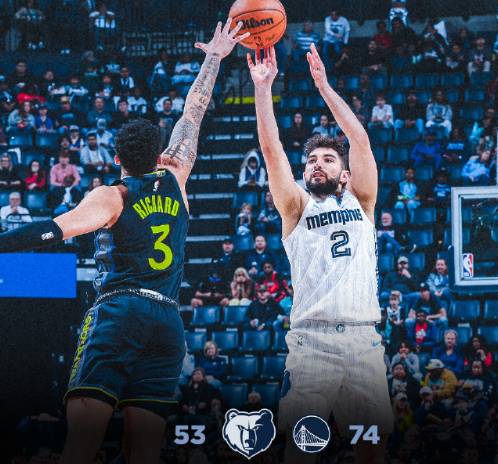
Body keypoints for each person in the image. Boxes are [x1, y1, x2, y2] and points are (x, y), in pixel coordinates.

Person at [0, 19, 247, 463]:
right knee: (144, 452)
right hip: (168, 321)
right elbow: (193, 111)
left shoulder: (113, 196)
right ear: (160, 156)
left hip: (120, 311)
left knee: (82, 441)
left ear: (117, 159)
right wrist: (215, 56)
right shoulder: (176, 176)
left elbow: (50, 231)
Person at [248, 43, 392, 464]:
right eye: (311, 159)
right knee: (301, 451)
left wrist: (324, 86)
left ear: (344, 174)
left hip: (364, 341)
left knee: (371, 452)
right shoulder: (295, 207)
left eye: (328, 160)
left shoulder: (362, 200)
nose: (317, 164)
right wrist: (263, 89)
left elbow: (360, 140)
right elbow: (271, 151)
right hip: (312, 344)